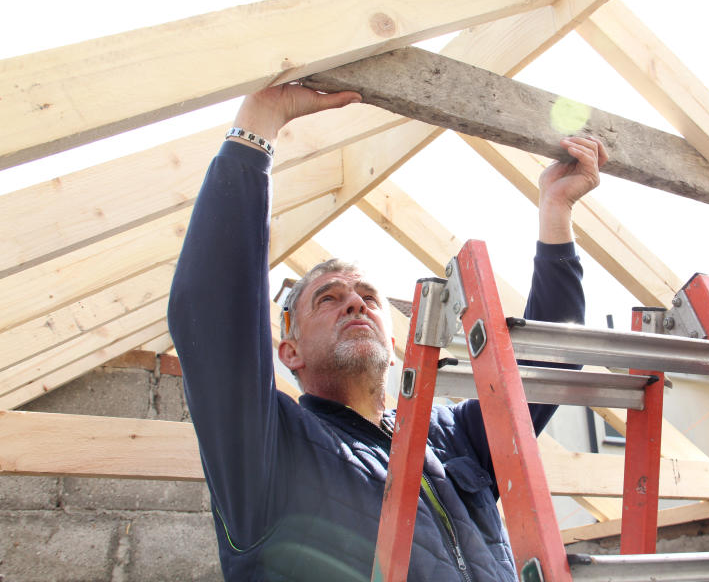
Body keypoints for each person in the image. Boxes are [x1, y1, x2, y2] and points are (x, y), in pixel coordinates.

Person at [168, 83, 608, 581]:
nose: (355, 301)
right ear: (290, 352)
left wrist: (556, 211)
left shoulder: (453, 437)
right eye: (328, 298)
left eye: (368, 297)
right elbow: (211, 311)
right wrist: (260, 120)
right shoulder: (274, 447)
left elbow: (543, 363)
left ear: (393, 342)